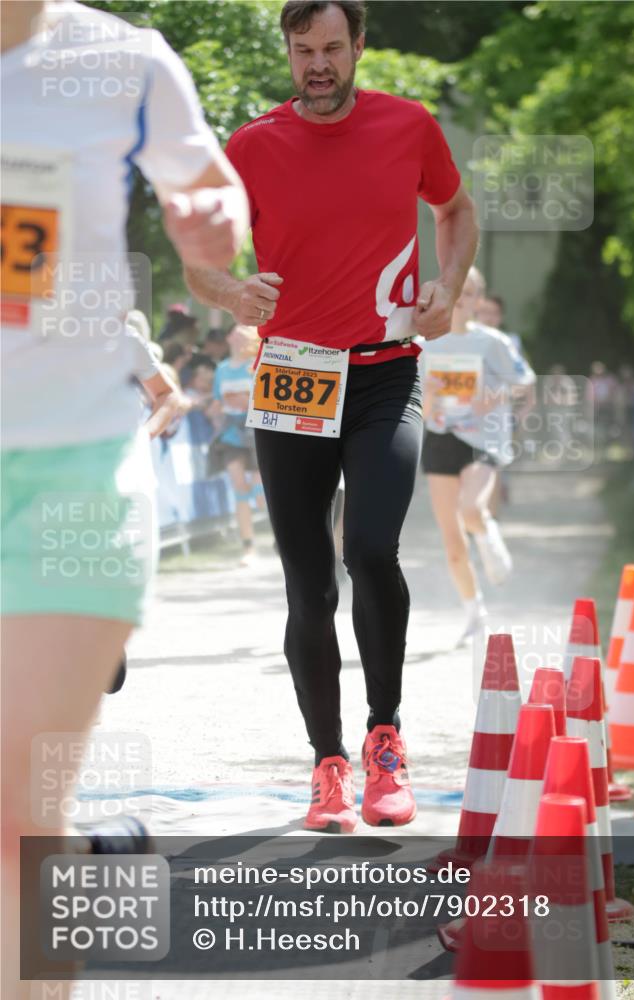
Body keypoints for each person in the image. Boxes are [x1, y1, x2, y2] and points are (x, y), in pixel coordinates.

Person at [1, 2, 248, 996]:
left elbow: (211, 191)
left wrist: (210, 229)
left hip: (72, 471)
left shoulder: (122, 61)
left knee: (19, 812)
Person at [187, 0, 478, 832]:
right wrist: (232, 291)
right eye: (303, 49)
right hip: (293, 378)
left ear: (358, 48)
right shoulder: (252, 145)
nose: (318, 64)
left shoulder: (408, 127)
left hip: (386, 373)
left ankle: (386, 741)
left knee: (372, 547)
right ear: (288, 52)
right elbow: (199, 261)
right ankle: (328, 767)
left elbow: (456, 212)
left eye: (332, 48)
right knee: (308, 589)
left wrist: (448, 288)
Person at [421, 267, 536, 646]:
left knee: (471, 508)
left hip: (482, 439)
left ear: (478, 300)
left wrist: (497, 397)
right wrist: (432, 395)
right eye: (456, 291)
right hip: (440, 438)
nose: (461, 299)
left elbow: (525, 382)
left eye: (469, 293)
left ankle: (487, 534)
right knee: (453, 544)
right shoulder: (425, 345)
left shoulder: (494, 343)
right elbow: (417, 407)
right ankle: (474, 613)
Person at [211, 325, 265, 566]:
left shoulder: (256, 365)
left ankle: (283, 537)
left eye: (243, 331)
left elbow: (267, 398)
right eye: (235, 330)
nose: (236, 332)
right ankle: (249, 546)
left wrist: (248, 401)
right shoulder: (221, 369)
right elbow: (217, 402)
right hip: (232, 433)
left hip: (256, 431)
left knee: (262, 493)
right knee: (238, 483)